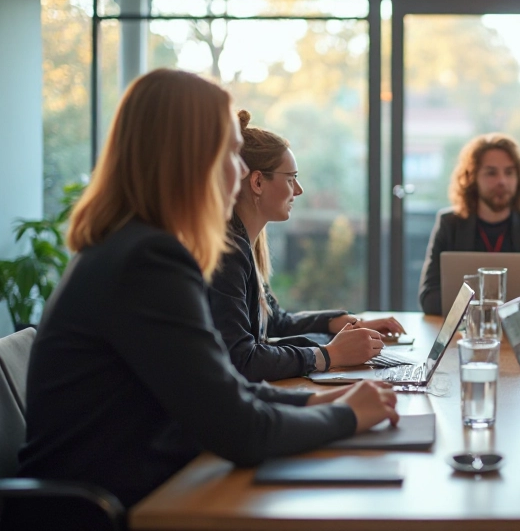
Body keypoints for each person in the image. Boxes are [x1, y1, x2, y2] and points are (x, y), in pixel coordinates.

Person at [16, 70, 398, 516]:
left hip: (133, 491)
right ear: (192, 158)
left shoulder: (132, 245)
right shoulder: (149, 260)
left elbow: (223, 389)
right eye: (232, 152)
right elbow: (239, 429)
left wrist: (321, 398)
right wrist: (348, 416)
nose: (242, 170)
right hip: (103, 512)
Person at [208, 110, 405, 382]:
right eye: (291, 178)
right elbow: (243, 360)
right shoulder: (229, 253)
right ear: (257, 182)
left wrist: (338, 322)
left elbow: (274, 320)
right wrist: (328, 355)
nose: (298, 190)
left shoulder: (245, 244)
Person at [418, 133, 520, 314]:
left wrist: (501, 308)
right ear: (472, 178)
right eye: (491, 173)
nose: (502, 181)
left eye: (509, 172)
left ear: (519, 177)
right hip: (469, 330)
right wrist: (501, 307)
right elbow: (429, 298)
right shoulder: (450, 224)